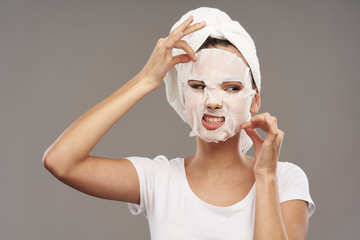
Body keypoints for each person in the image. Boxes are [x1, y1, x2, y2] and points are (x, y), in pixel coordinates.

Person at [43, 7, 315, 240]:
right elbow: (61, 162)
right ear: (182, 97)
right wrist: (145, 80)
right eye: (198, 86)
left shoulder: (286, 180)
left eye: (231, 88)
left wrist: (266, 177)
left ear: (254, 100)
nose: (213, 101)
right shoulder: (158, 180)